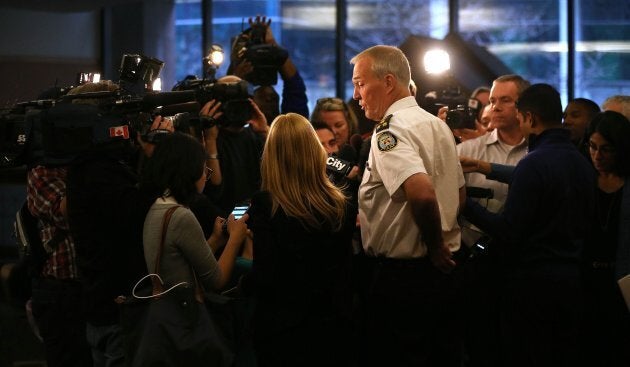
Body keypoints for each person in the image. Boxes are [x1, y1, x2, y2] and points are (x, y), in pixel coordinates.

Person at [463, 83, 596, 367]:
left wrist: (464, 203)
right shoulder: (582, 162)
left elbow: (509, 231)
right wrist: (487, 167)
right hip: (573, 282)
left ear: (530, 118)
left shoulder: (534, 163)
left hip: (532, 287)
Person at [351, 45, 465, 366]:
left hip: (405, 279)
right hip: (442, 275)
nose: (356, 95)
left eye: (360, 83)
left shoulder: (390, 129)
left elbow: (423, 193)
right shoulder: (436, 124)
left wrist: (434, 245)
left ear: (388, 82)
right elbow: (460, 193)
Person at [245, 113, 356, 366]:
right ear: (315, 151)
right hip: (333, 325)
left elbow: (266, 274)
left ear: (272, 156)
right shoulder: (342, 205)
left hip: (283, 330)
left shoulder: (266, 206)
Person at [142, 132, 248, 293]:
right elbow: (216, 280)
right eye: (204, 170)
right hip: (186, 312)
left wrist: (215, 239)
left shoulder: (159, 206)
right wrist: (235, 238)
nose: (206, 176)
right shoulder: (181, 216)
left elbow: (185, 265)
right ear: (190, 171)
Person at [27, 165, 92, 367]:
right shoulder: (41, 172)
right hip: (60, 288)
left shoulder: (91, 168)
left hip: (90, 284)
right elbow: (70, 213)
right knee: (66, 357)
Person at [579, 110, 630, 367]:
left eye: (606, 149)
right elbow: (532, 177)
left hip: (621, 283)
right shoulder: (582, 179)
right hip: (585, 280)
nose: (597, 156)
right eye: (592, 147)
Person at [199, 75, 269, 215]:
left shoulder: (256, 137)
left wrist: (265, 131)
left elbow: (284, 172)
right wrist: (210, 140)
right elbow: (214, 188)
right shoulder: (207, 138)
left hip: (255, 220)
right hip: (221, 221)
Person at [230, 15, 309, 120]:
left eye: (267, 100)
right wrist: (274, 48)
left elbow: (227, 99)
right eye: (272, 100)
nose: (268, 97)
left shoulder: (239, 132)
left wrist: (237, 75)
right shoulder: (289, 132)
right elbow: (295, 87)